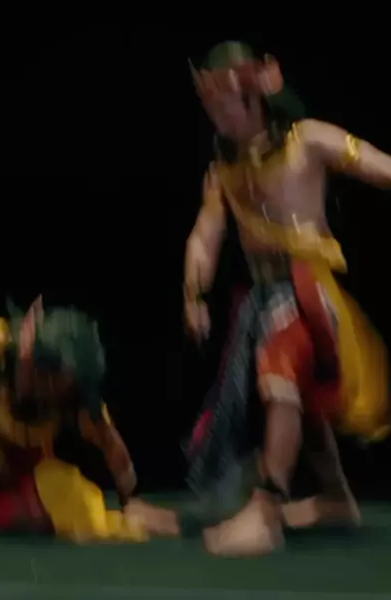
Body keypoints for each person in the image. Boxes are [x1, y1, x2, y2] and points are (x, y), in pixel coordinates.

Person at [126, 41, 391, 555]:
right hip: (263, 296)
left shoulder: (306, 141)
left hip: (308, 290)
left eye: (221, 103)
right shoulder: (223, 170)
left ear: (252, 94)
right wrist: (193, 293)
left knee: (282, 364)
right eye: (209, 105)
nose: (214, 115)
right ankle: (335, 497)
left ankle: (266, 512)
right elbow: (205, 236)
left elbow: (378, 165)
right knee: (295, 395)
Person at [0, 295, 146, 542]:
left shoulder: (79, 405)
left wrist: (129, 502)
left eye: (53, 390)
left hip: (6, 484)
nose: (40, 389)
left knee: (73, 502)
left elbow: (116, 454)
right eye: (38, 373)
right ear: (27, 345)